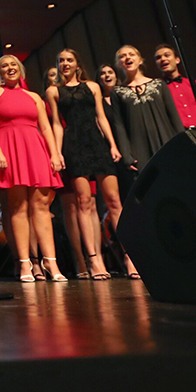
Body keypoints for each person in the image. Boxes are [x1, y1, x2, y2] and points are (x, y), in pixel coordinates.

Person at [0, 54, 66, 283]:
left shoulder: (33, 97)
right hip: (9, 149)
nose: (9, 68)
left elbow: (46, 128)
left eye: (13, 65)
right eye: (4, 66)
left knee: (40, 206)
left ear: (20, 69)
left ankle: (51, 261)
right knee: (18, 207)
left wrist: (54, 153)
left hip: (35, 148)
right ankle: (25, 264)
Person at [45, 49, 125, 281]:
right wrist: (57, 152)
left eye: (69, 60)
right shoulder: (54, 91)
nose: (65, 63)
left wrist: (112, 144)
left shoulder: (92, 87)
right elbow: (57, 124)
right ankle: (94, 259)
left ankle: (129, 256)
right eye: (61, 60)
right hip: (74, 145)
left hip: (97, 143)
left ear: (77, 64)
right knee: (84, 202)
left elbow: (101, 116)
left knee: (114, 201)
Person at [110, 45, 185, 179]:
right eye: (122, 56)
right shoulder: (117, 92)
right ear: (118, 64)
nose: (127, 57)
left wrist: (182, 142)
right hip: (138, 147)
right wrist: (126, 154)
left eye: (131, 54)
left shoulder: (159, 84)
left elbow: (173, 116)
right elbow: (119, 124)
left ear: (140, 60)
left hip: (166, 140)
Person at [153, 43, 196, 129]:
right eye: (158, 58)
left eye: (167, 55)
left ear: (177, 60)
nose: (163, 59)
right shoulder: (157, 90)